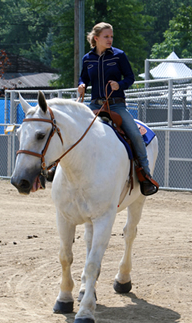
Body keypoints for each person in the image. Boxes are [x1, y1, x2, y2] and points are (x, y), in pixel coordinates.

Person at [78, 22, 157, 196]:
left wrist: (119, 84)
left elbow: (130, 77)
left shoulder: (119, 55)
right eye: (106, 36)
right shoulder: (87, 59)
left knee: (136, 136)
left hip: (117, 105)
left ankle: (145, 175)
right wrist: (82, 85)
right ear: (96, 38)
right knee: (76, 131)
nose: (110, 39)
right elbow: (83, 78)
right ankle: (57, 169)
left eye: (111, 36)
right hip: (94, 105)